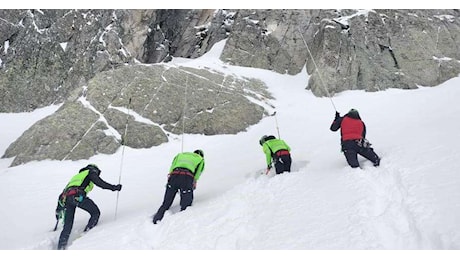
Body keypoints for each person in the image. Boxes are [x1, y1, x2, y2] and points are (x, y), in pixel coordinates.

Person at [55, 164, 122, 250]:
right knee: (95, 212)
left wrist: (58, 211)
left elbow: (62, 195)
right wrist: (114, 187)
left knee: (67, 226)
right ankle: (87, 236)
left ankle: (61, 247)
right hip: (77, 197)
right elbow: (100, 183)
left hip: (67, 199)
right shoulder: (90, 172)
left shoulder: (76, 177)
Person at [152, 149, 205, 224]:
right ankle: (180, 224)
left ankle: (156, 219)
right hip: (187, 178)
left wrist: (170, 179)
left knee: (166, 203)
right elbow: (198, 173)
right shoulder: (200, 159)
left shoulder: (180, 155)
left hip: (174, 176)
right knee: (186, 205)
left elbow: (172, 167)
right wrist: (194, 182)